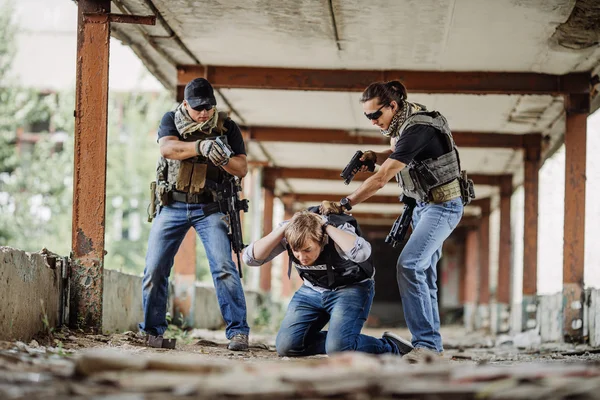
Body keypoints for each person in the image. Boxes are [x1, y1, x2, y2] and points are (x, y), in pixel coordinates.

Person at [326, 80, 472, 363]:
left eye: (375, 115)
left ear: (393, 105)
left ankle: (427, 345)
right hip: (423, 206)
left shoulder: (419, 127)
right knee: (424, 273)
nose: (372, 122)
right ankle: (432, 347)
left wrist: (345, 203)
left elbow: (382, 178)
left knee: (409, 265)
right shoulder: (403, 125)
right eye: (367, 117)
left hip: (443, 207)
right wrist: (375, 155)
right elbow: (400, 155)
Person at [139, 78, 250, 351]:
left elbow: (242, 167)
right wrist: (200, 147)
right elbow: (167, 148)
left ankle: (238, 333)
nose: (203, 113)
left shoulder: (226, 127)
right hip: (173, 205)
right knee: (154, 269)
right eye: (198, 108)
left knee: (224, 268)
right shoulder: (171, 120)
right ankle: (152, 332)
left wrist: (223, 158)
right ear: (186, 104)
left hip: (210, 207)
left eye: (208, 108)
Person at [242, 207, 413, 357]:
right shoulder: (290, 235)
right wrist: (284, 228)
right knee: (287, 347)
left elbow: (363, 253)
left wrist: (326, 226)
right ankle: (341, 341)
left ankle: (390, 347)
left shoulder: (334, 231)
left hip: (350, 289)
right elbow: (250, 259)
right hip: (311, 290)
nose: (301, 257)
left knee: (338, 350)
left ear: (321, 240)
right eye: (296, 251)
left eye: (308, 250)